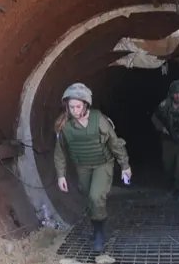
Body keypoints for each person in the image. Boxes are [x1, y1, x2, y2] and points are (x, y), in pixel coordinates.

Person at [53, 82, 132, 253]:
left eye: (77, 106)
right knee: (89, 199)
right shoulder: (64, 126)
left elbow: (114, 142)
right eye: (71, 106)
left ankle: (99, 233)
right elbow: (59, 152)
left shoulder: (99, 120)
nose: (74, 110)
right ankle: (96, 225)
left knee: (96, 197)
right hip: (82, 166)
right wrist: (61, 175)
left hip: (103, 163)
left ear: (86, 104)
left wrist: (124, 165)